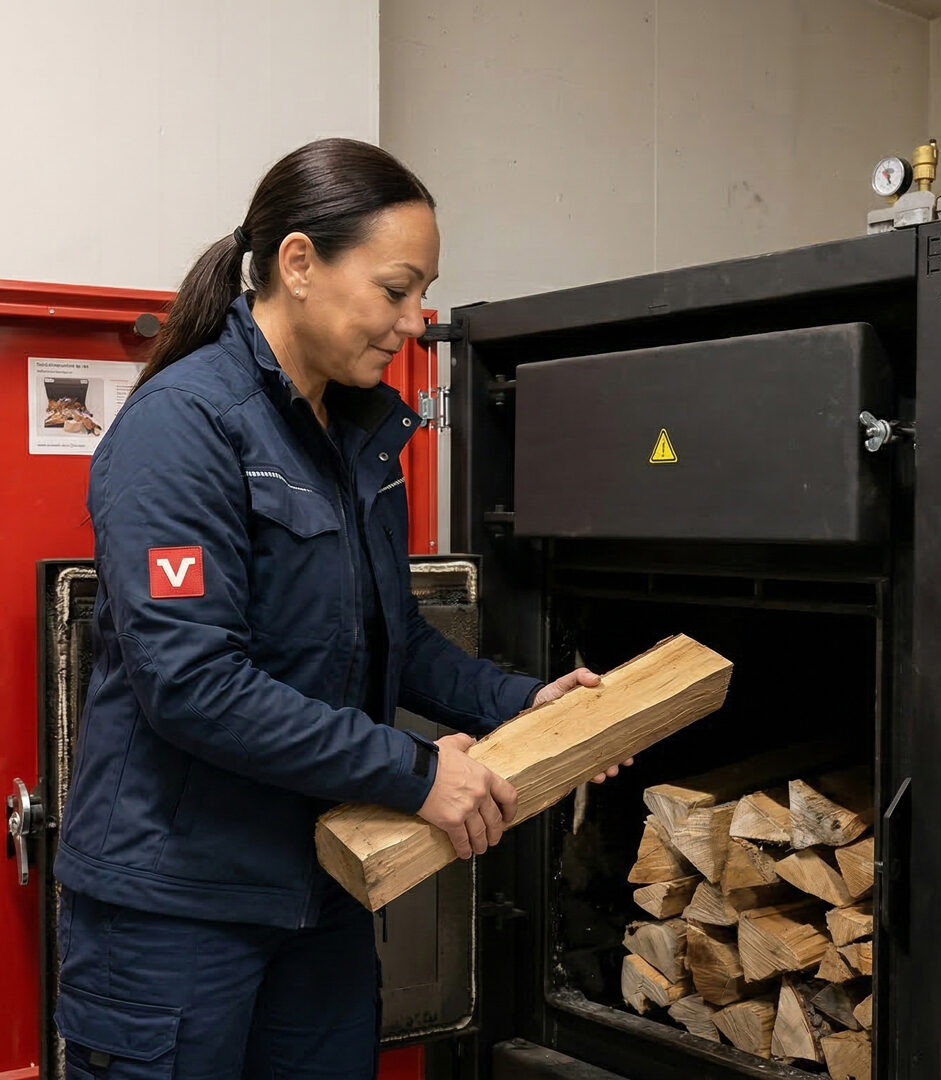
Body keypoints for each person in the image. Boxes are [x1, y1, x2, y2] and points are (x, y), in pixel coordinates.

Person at [52, 138, 627, 1080]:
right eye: (396, 289)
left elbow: (391, 638)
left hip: (317, 886)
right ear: (300, 264)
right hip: (176, 908)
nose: (412, 320)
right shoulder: (183, 429)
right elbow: (192, 684)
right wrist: (412, 772)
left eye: (422, 292)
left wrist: (523, 705)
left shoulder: (352, 436)